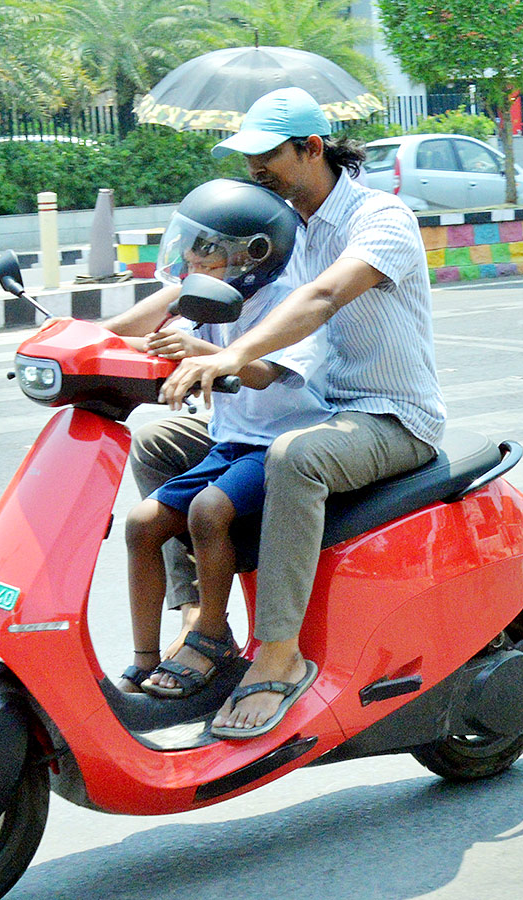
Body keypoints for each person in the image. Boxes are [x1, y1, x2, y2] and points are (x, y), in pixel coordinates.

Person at [134, 87, 446, 738]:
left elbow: (326, 296)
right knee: (162, 444)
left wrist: (228, 356)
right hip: (315, 403)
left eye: (266, 155)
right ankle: (200, 622)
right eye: (247, 156)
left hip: (389, 416)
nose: (254, 169)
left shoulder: (378, 219)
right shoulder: (290, 230)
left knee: (292, 456)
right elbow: (198, 294)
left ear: (310, 149)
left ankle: (278, 653)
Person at [109, 179, 323, 696]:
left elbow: (266, 372)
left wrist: (203, 355)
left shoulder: (286, 303)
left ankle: (209, 636)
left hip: (278, 445)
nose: (191, 256)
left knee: (208, 511)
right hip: (231, 442)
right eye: (190, 243)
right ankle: (143, 659)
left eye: (207, 248)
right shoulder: (210, 299)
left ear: (252, 255)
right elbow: (141, 337)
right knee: (140, 525)